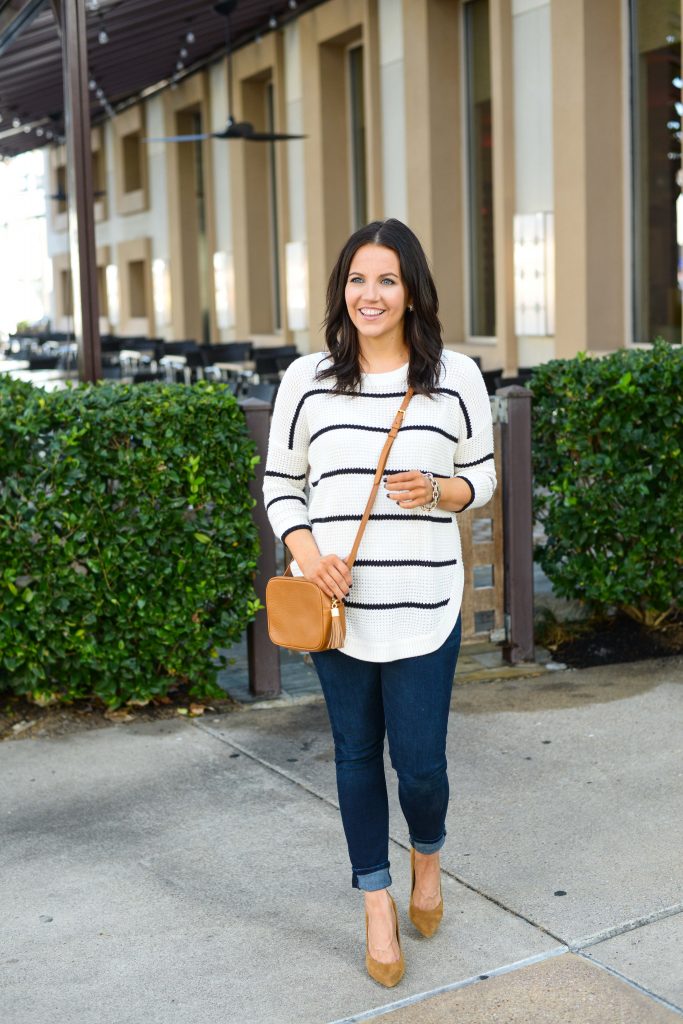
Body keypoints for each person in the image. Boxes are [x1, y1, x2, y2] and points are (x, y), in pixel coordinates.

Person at [262, 218, 496, 987]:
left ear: (411, 291)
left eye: (386, 280)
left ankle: (426, 859)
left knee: (420, 766)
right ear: (342, 290)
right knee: (357, 757)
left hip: (425, 601)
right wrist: (307, 557)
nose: (370, 294)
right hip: (339, 612)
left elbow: (481, 478)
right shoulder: (306, 380)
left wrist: (438, 492)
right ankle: (375, 902)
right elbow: (280, 484)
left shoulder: (455, 376)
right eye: (357, 279)